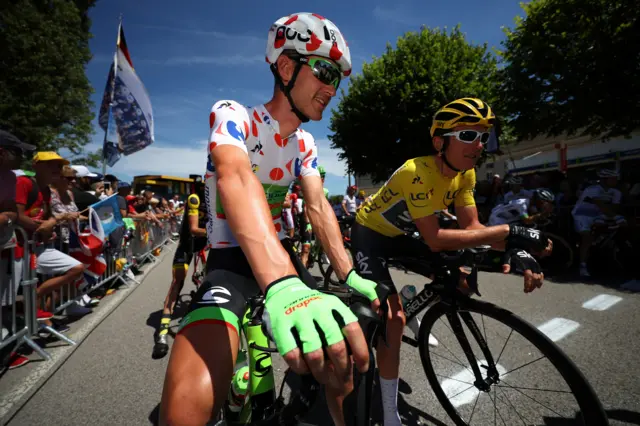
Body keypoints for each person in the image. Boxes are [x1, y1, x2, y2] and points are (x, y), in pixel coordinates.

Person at [160, 13, 377, 426]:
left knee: (341, 362)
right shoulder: (233, 115)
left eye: (338, 79)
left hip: (281, 257)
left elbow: (316, 206)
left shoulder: (307, 143)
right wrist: (281, 282)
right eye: (325, 70)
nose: (332, 88)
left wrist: (348, 274)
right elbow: (237, 176)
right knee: (187, 403)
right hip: (229, 259)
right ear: (285, 66)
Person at [349, 98, 551, 426]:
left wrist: (515, 251)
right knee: (393, 320)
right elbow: (436, 239)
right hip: (371, 234)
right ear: (439, 142)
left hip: (404, 233)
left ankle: (413, 301)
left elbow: (473, 229)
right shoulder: (417, 171)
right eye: (468, 135)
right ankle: (388, 414)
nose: (479, 145)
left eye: (484, 136)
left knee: (458, 276)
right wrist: (510, 231)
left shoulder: (466, 174)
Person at [16, 152, 86, 322]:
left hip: (37, 246)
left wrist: (49, 225)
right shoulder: (24, 183)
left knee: (76, 268)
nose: (56, 169)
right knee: (8, 294)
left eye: (58, 165)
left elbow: (46, 217)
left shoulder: (46, 190)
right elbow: (17, 216)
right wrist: (45, 226)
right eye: (51, 164)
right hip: (17, 246)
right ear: (36, 166)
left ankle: (36, 296)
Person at [153, 180, 208, 359]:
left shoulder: (219, 199)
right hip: (188, 244)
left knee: (212, 281)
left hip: (207, 245)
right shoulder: (194, 198)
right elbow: (193, 229)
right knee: (178, 281)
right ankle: (161, 332)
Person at [0, 131, 35, 370]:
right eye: (18, 152)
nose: (23, 157)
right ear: (2, 152)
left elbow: (12, 212)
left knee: (5, 301)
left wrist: (5, 216)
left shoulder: (10, 178)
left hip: (5, 246)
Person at [572, 168, 624, 277]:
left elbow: (614, 208)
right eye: (613, 178)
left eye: (616, 178)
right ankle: (583, 266)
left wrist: (616, 217)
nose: (615, 181)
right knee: (587, 238)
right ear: (605, 179)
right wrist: (617, 217)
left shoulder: (616, 192)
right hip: (582, 215)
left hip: (598, 215)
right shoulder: (593, 189)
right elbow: (602, 206)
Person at [488, 188, 555, 226]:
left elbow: (535, 216)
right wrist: (541, 214)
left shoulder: (531, 205)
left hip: (507, 219)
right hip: (497, 220)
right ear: (537, 200)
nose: (543, 205)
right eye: (542, 203)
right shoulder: (522, 204)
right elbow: (527, 220)